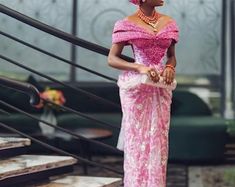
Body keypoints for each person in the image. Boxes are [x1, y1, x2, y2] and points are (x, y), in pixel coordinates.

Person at [108, 0, 179, 186]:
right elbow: (112, 59)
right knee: (136, 142)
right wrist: (139, 67)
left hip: (161, 88)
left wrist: (170, 66)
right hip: (137, 89)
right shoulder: (125, 23)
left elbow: (171, 56)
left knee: (159, 140)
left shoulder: (169, 22)